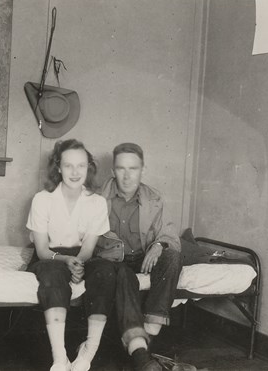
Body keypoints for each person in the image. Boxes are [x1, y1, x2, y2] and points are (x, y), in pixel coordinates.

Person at [26, 139, 115, 371]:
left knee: (105, 271)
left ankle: (88, 351)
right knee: (53, 274)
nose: (75, 172)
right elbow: (42, 250)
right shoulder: (42, 199)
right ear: (58, 167)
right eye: (68, 166)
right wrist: (66, 261)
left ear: (89, 168)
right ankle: (60, 358)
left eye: (81, 166)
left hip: (82, 256)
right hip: (50, 258)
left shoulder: (97, 202)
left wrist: (79, 264)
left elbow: (87, 249)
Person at [99, 143, 182, 371]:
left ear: (142, 169)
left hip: (144, 257)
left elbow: (170, 235)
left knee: (172, 257)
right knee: (124, 276)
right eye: (120, 169)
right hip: (114, 260)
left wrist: (158, 245)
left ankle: (148, 335)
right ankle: (142, 357)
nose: (126, 176)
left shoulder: (154, 197)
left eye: (133, 169)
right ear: (113, 170)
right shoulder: (97, 197)